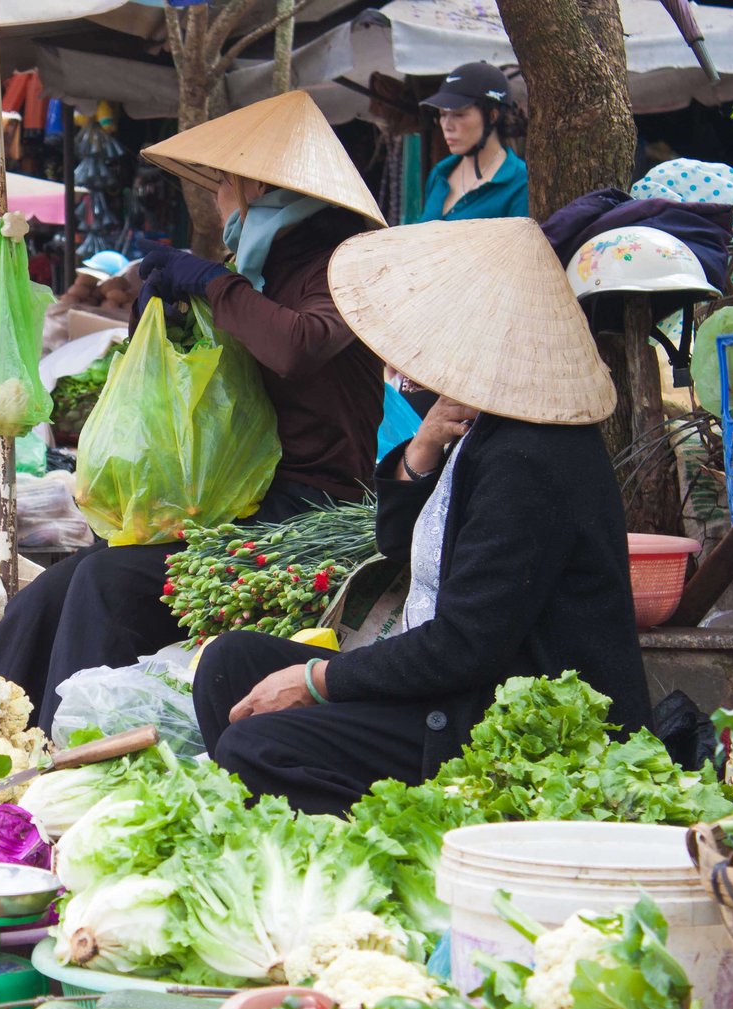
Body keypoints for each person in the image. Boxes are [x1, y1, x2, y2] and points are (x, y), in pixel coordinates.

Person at [192, 217, 651, 816]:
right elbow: (399, 546)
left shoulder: (530, 458)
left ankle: (399, 838)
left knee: (257, 746)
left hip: (500, 715)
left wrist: (315, 683)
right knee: (232, 664)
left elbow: (466, 647)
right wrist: (422, 451)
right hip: (453, 681)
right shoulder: (481, 424)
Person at [0, 90, 389, 728]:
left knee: (108, 583)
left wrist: (208, 283)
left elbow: (296, 346)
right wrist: (177, 313)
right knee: (49, 592)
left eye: (226, 182)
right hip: (233, 504)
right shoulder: (255, 267)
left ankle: (72, 757)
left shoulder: (344, 264)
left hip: (302, 509)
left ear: (257, 186)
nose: (220, 197)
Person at [416, 62, 529, 223]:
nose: (447, 125)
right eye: (442, 114)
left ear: (492, 116)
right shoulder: (440, 174)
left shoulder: (520, 182)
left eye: (459, 115)